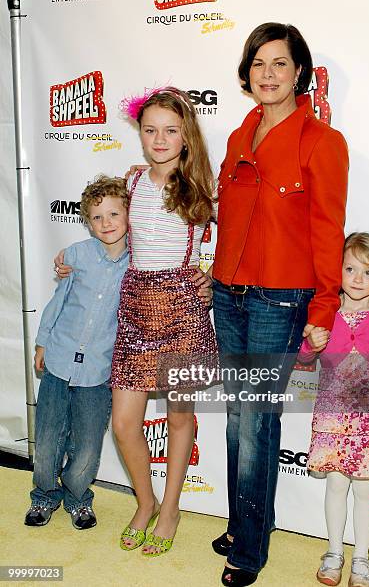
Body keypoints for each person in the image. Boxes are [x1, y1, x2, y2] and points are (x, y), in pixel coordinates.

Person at [209, 23, 349, 586]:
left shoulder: (323, 142)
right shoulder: (238, 137)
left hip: (280, 300)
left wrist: (322, 311)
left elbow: (327, 232)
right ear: (247, 75)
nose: (268, 74)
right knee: (239, 416)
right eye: (258, 64)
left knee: (258, 421)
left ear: (300, 74)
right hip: (228, 292)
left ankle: (249, 546)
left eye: (280, 63)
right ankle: (249, 521)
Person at [110, 86, 217, 557]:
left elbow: (235, 240)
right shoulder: (129, 182)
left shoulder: (203, 186)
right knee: (123, 421)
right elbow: (109, 233)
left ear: (186, 135)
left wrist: (211, 276)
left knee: (179, 417)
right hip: (135, 306)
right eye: (150, 129)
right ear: (139, 132)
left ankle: (170, 507)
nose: (159, 138)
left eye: (170, 130)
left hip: (183, 310)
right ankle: (145, 499)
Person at [300, 232, 369, 587]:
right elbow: (301, 360)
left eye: (368, 271)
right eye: (350, 269)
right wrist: (309, 342)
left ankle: (361, 557)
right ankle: (334, 552)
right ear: (338, 271)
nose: (358, 279)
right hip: (332, 418)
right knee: (335, 486)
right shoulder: (325, 312)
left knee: (365, 491)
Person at [24, 176, 129, 530]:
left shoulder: (140, 265)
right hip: (59, 360)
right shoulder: (76, 256)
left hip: (99, 372)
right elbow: (59, 301)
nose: (107, 223)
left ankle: (79, 499)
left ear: (129, 214)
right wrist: (42, 341)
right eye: (97, 217)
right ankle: (43, 497)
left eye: (115, 213)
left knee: (86, 446)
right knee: (48, 439)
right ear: (87, 221)